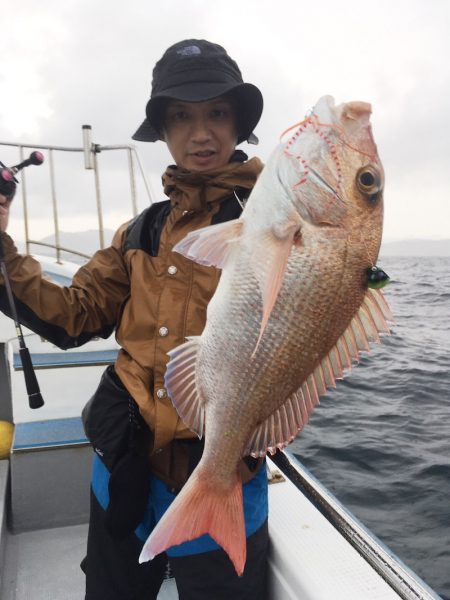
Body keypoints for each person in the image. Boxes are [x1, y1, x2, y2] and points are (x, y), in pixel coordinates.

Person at [0, 39, 268, 599]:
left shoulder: (271, 228)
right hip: (123, 463)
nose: (201, 133)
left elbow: (325, 300)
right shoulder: (139, 232)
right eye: (182, 116)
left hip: (220, 470)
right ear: (163, 132)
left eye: (218, 113)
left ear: (239, 124)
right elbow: (74, 318)